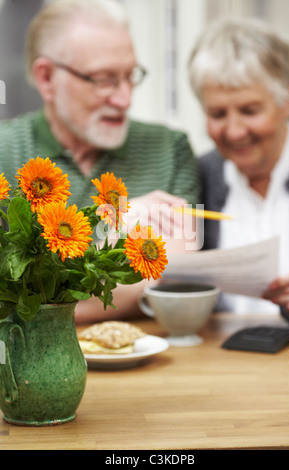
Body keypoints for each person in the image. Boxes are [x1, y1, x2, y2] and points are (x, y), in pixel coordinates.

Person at [0, 0, 198, 323]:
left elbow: (168, 283)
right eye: (104, 79)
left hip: (153, 365)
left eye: (130, 76)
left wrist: (42, 295)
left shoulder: (170, 150)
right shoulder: (4, 151)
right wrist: (115, 228)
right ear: (47, 78)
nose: (124, 99)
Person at [188, 17, 289, 323]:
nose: (235, 132)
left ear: (285, 102)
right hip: (225, 362)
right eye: (218, 113)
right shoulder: (199, 178)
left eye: (250, 111)